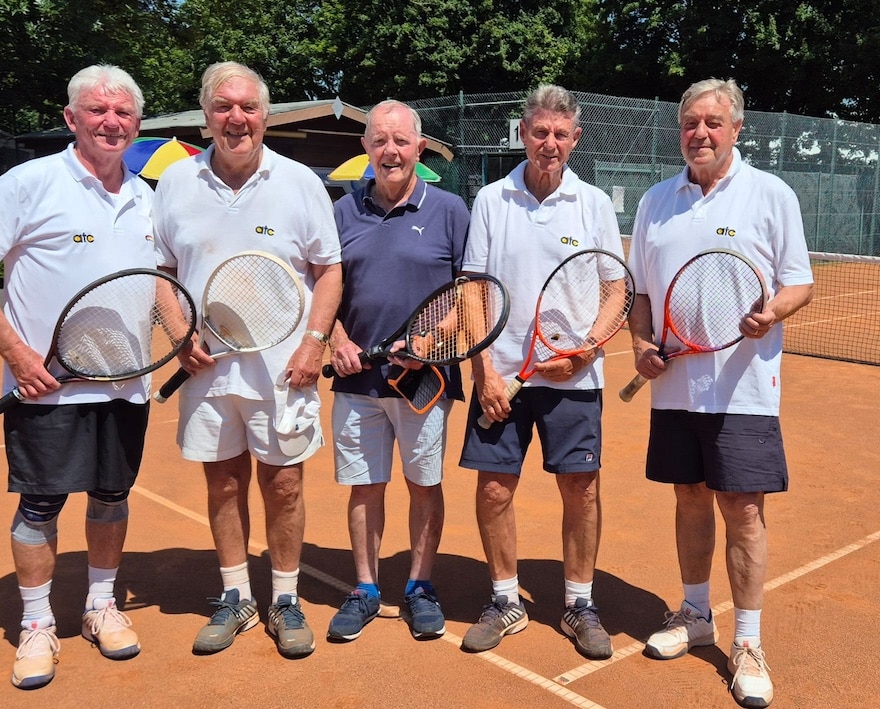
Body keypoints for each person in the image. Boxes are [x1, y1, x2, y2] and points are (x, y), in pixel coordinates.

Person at [0, 65, 154, 689]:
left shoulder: (147, 196)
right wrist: (18, 352)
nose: (111, 122)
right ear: (72, 119)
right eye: (97, 111)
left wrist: (185, 336)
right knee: (41, 504)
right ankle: (36, 623)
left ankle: (99, 606)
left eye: (123, 114)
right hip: (46, 387)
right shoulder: (30, 182)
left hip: (126, 385)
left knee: (112, 498)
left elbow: (157, 281)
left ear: (135, 125)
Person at [627, 78, 813, 708]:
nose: (699, 134)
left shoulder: (771, 194)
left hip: (745, 389)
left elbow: (798, 283)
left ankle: (749, 640)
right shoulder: (656, 201)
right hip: (675, 388)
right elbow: (642, 294)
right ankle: (695, 612)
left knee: (743, 511)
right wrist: (641, 343)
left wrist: (771, 314)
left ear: (736, 129)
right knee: (689, 497)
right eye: (690, 124)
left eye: (712, 122)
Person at [152, 61, 342, 660]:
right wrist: (180, 333)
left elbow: (329, 268)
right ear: (207, 116)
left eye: (249, 107)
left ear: (265, 115)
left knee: (283, 483)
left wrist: (315, 341)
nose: (237, 118)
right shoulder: (175, 184)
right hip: (207, 368)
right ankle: (235, 595)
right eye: (224, 107)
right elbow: (161, 270)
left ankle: (284, 597)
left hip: (286, 367)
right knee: (223, 480)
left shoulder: (300, 183)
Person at [458, 85, 622, 660]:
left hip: (574, 379)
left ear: (575, 139)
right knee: (495, 487)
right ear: (522, 134)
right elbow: (473, 288)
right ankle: (505, 600)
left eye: (560, 134)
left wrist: (586, 350)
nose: (549, 144)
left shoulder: (594, 204)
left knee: (581, 488)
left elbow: (615, 289)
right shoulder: (490, 200)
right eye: (539, 132)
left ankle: (579, 602)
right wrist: (483, 370)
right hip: (501, 376)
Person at [324, 100, 470, 642]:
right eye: (379, 140)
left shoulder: (451, 210)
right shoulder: (341, 212)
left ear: (420, 147)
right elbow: (326, 289)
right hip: (357, 382)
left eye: (401, 141)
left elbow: (468, 294)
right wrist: (336, 340)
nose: (390, 151)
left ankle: (419, 586)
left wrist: (430, 341)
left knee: (424, 484)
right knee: (365, 488)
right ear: (366, 147)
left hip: (424, 384)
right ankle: (365, 588)